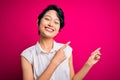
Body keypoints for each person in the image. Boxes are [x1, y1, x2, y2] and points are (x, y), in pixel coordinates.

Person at [21, 5, 101, 80]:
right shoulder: (27, 55)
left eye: (56, 22)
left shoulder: (66, 50)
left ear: (59, 29)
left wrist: (89, 64)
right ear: (38, 22)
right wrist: (55, 62)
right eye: (47, 19)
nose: (51, 24)